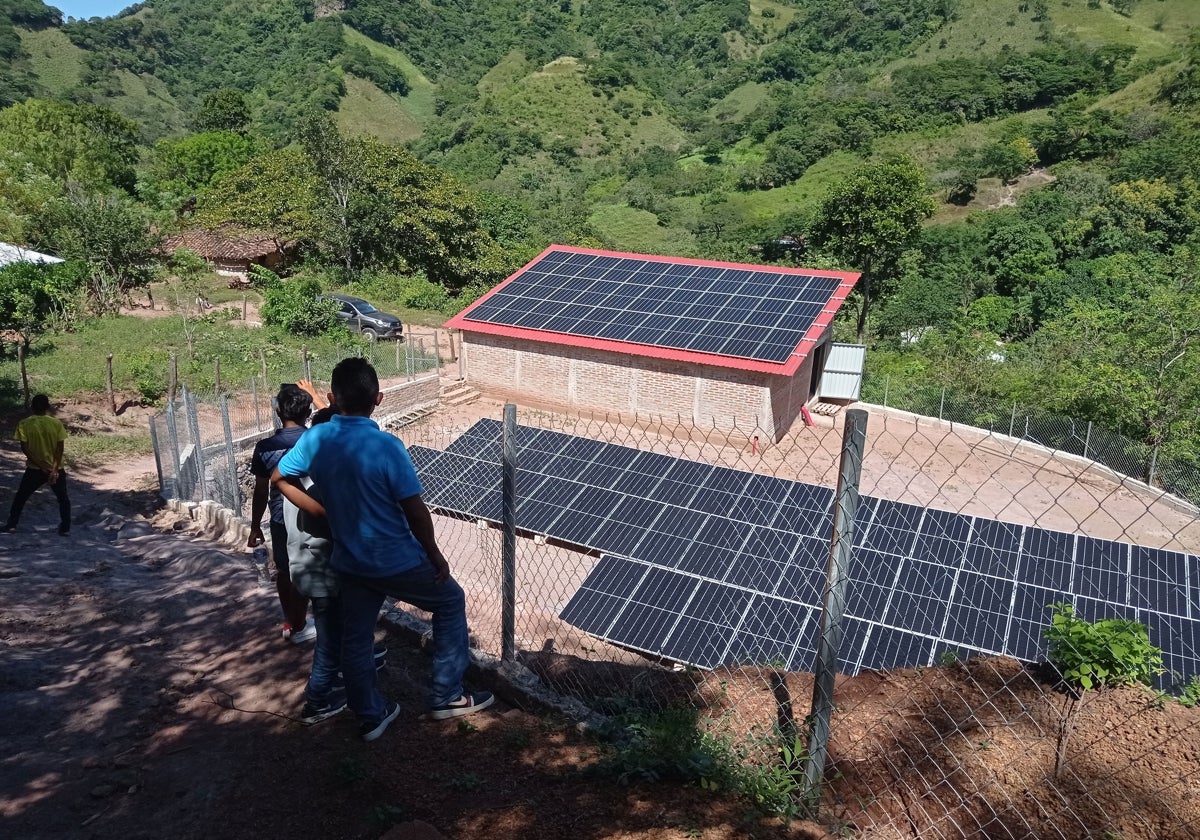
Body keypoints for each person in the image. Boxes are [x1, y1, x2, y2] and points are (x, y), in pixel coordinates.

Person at [273, 357, 493, 742]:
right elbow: (415, 511)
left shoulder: (315, 439)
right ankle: (447, 695)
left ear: (330, 398)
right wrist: (435, 555)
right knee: (449, 601)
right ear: (379, 398)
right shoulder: (387, 446)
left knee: (356, 637)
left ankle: (370, 715)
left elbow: (281, 479)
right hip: (395, 558)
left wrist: (323, 512)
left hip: (350, 560)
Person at [249, 384, 314, 643]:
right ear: (308, 412)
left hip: (281, 519)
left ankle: (295, 623)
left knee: (286, 572)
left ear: (278, 410)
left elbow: (261, 491)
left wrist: (255, 526)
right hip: (316, 515)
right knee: (320, 569)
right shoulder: (319, 440)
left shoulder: (265, 447)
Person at [4, 394, 70, 535]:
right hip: (56, 468)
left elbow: (25, 448)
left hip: (35, 469)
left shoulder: (24, 424)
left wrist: (41, 466)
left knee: (21, 498)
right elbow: (60, 448)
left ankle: (11, 525)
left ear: (32, 407)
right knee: (63, 499)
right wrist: (53, 469)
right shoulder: (56, 423)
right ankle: (65, 528)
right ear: (47, 407)